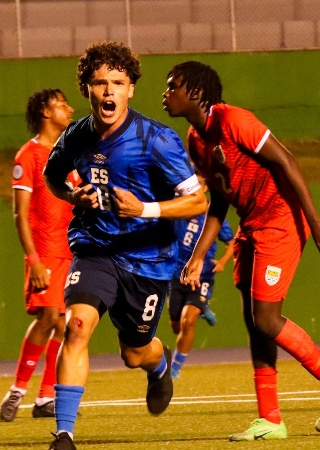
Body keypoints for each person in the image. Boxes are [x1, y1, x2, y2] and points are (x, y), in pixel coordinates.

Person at [162, 61, 320, 441]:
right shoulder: (194, 138)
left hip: (281, 220)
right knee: (256, 323)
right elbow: (218, 202)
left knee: (268, 319)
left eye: (173, 87)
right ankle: (270, 418)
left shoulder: (235, 120)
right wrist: (199, 254)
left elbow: (286, 160)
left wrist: (315, 221)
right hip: (250, 226)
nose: (166, 94)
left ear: (197, 93)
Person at [42, 41, 208, 450]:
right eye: (100, 83)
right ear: (87, 90)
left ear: (131, 88)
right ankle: (64, 434)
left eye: (118, 82)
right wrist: (70, 196)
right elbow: (52, 177)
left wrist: (146, 210)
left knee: (134, 353)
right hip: (94, 248)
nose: (109, 91)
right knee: (76, 327)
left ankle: (158, 365)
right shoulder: (76, 135)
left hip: (147, 261)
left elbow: (199, 200)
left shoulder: (157, 139)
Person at [0, 89, 78, 422]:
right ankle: (17, 390)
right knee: (46, 318)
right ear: (46, 113)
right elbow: (20, 213)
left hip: (70, 251)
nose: (69, 108)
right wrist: (33, 260)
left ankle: (46, 398)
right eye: (61, 104)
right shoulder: (28, 156)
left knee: (63, 324)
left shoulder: (70, 155)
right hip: (44, 251)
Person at [168, 183, 234, 379]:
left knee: (188, 322)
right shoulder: (178, 205)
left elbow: (231, 242)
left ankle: (175, 368)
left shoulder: (211, 213)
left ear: (205, 187)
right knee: (176, 326)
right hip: (177, 274)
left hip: (203, 274)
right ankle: (204, 309)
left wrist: (222, 262)